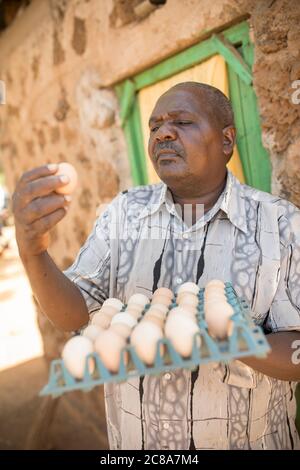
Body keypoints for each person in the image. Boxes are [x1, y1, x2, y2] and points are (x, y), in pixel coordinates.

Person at [12, 82, 300, 450]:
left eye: (182, 122)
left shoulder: (279, 224)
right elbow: (72, 315)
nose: (163, 133)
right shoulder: (124, 212)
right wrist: (32, 252)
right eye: (154, 126)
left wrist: (239, 341)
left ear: (226, 141)